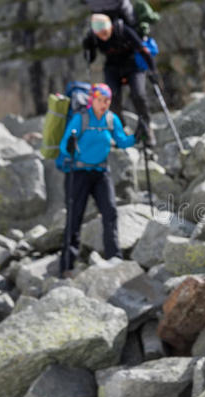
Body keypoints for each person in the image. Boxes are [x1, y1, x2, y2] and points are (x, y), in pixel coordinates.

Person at [59, 83, 138, 274]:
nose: (104, 104)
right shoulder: (80, 119)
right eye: (100, 100)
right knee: (74, 217)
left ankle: (114, 257)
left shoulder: (111, 119)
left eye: (107, 100)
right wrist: (70, 147)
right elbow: (63, 146)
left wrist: (138, 135)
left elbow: (122, 141)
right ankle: (67, 264)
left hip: (101, 173)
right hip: (78, 173)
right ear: (92, 100)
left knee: (110, 212)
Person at [82, 13, 158, 146]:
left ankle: (146, 128)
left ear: (110, 27)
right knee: (111, 98)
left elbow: (143, 50)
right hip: (113, 68)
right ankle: (121, 130)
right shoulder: (94, 37)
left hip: (133, 66)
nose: (103, 36)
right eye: (100, 33)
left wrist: (153, 71)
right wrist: (87, 47)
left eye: (105, 32)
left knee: (139, 95)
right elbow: (91, 58)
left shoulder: (123, 31)